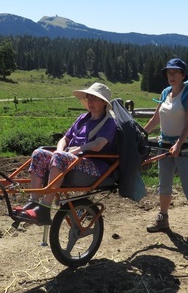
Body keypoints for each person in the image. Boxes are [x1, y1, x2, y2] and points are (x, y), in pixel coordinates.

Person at [15, 82, 117, 225]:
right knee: (39, 153)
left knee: (59, 157)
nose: (91, 102)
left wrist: (75, 150)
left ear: (104, 103)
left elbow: (98, 144)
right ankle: (33, 202)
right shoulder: (83, 119)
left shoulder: (109, 123)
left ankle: (45, 207)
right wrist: (60, 150)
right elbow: (65, 138)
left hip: (94, 166)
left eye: (95, 99)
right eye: (89, 98)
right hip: (71, 160)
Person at [144, 58, 188, 246]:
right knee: (164, 184)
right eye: (169, 73)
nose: (171, 76)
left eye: (175, 72)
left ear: (183, 75)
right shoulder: (165, 93)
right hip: (165, 144)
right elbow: (156, 118)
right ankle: (163, 218)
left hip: (186, 145)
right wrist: (141, 134)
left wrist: (178, 144)